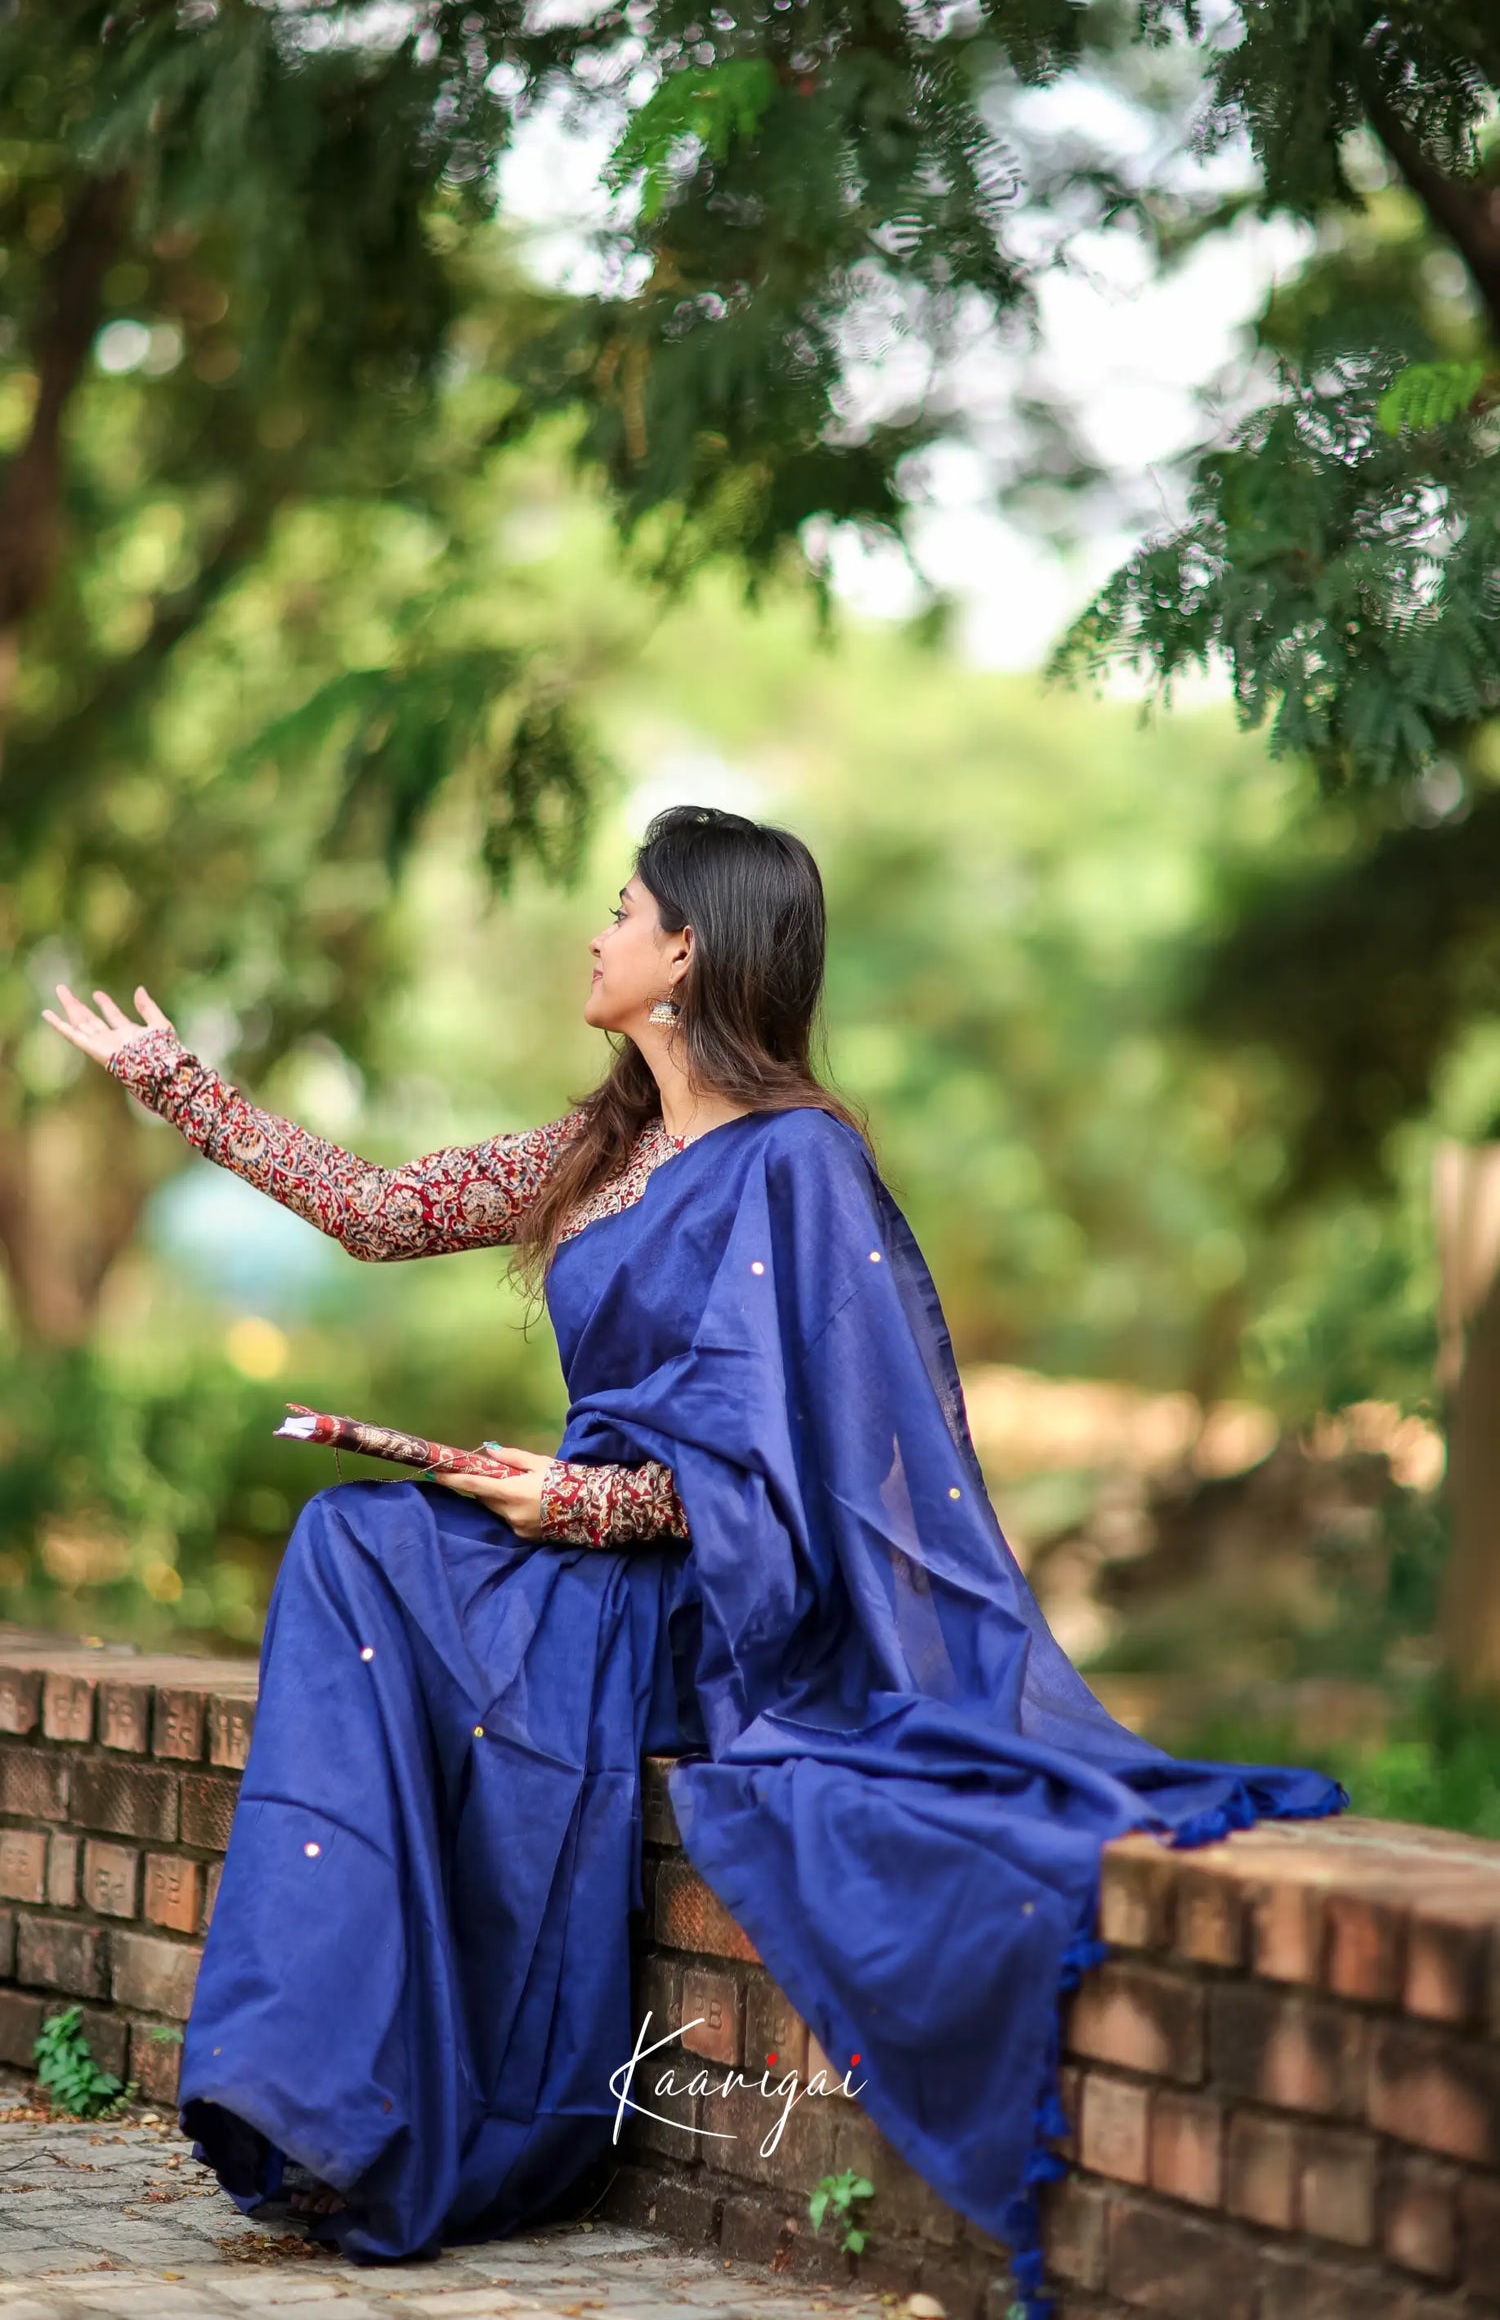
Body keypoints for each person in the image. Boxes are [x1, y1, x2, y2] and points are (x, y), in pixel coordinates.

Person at [42, 805, 1344, 2314]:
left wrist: (588, 1508)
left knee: (368, 1562)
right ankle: (317, 2090)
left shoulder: (801, 1168)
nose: (593, 933)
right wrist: (177, 1085)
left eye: (620, 907)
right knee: (354, 1537)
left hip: (703, 1598)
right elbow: (379, 1211)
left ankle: (411, 2108)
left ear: (687, 952)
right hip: (582, 1547)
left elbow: (816, 1479)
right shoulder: (610, 1146)